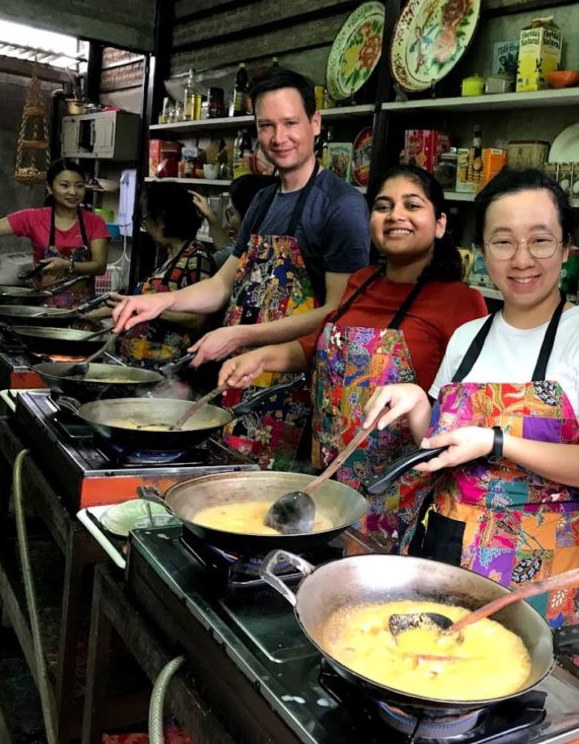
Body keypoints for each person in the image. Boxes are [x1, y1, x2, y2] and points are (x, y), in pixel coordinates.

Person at [363, 168, 579, 629]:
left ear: (566, 248)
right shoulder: (468, 337)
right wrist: (415, 401)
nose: (522, 259)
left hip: (539, 563)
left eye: (540, 240)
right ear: (483, 251)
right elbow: (440, 442)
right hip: (446, 544)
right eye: (503, 241)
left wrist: (497, 442)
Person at [112, 68, 370, 469]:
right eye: (266, 125)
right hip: (240, 379)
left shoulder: (342, 206)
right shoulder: (264, 201)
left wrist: (238, 336)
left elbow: (337, 313)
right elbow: (221, 284)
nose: (278, 138)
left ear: (315, 123)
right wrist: (157, 302)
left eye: (290, 123)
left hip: (295, 389)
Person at [219, 165, 487, 548]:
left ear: (440, 223)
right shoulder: (361, 281)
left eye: (412, 205)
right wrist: (258, 359)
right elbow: (315, 348)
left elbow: (465, 411)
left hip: (398, 494)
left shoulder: (461, 302)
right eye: (383, 206)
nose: (396, 215)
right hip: (328, 476)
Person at [90, 183, 215, 369]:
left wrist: (144, 310)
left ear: (163, 219)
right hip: (143, 361)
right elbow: (143, 304)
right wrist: (95, 315)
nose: (146, 228)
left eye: (147, 220)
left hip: (168, 368)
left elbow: (198, 319)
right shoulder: (170, 257)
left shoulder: (196, 257)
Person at [0, 158, 109, 307]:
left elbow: (99, 266)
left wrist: (67, 264)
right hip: (41, 308)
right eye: (64, 185)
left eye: (79, 186)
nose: (73, 192)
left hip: (82, 310)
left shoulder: (94, 222)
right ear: (50, 188)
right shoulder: (34, 218)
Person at [190, 174, 278, 269]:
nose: (228, 224)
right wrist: (212, 219)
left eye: (232, 214)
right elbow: (231, 252)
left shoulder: (250, 253)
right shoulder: (276, 246)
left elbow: (226, 256)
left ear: (249, 216)